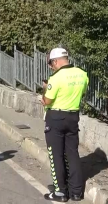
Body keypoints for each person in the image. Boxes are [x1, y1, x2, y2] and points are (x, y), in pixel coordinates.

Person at [40, 48, 88, 202]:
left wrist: (45, 89)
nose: (50, 67)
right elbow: (83, 93)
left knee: (56, 156)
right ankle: (76, 192)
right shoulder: (82, 74)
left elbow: (47, 101)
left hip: (56, 117)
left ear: (55, 61)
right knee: (72, 154)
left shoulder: (56, 77)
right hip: (73, 117)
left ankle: (60, 192)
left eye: (50, 64)